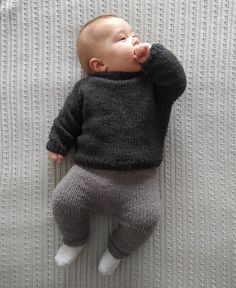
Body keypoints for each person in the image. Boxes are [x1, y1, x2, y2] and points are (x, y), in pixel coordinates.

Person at [46, 14, 186, 276]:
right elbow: (68, 119)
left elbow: (177, 83)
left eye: (134, 35)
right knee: (63, 201)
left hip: (139, 180)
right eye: (123, 38)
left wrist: (156, 57)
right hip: (89, 172)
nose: (135, 39)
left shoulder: (154, 86)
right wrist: (58, 142)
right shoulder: (86, 88)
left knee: (144, 220)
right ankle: (75, 239)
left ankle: (116, 251)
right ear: (99, 64)